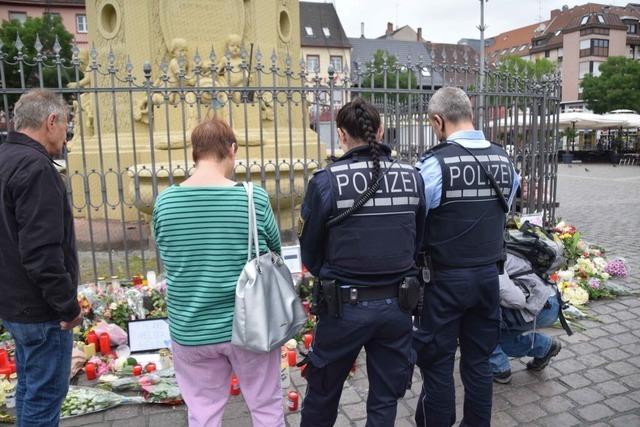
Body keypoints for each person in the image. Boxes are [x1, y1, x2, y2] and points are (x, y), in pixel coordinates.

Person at [298, 97, 426, 427]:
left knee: (323, 396)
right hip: (398, 307)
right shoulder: (413, 178)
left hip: (343, 310)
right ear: (380, 131)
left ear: (341, 135)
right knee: (385, 399)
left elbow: (310, 252)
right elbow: (418, 241)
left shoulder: (325, 182)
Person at [152, 118, 284, 427]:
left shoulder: (164, 202)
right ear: (232, 150)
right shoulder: (254, 198)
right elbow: (274, 253)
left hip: (191, 328)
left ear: (194, 154)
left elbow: (167, 252)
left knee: (203, 413)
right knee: (266, 407)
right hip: (250, 327)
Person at [413, 87, 520, 427]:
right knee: (478, 362)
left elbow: (417, 220)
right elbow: (507, 205)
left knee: (438, 364)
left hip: (442, 281)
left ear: (438, 121)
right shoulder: (505, 160)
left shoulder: (432, 166)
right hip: (489, 277)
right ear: (470, 114)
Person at [0, 89, 82, 426]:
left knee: (30, 389)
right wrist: (67, 306)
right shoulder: (37, 168)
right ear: (51, 121)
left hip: (13, 300)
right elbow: (41, 251)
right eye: (65, 126)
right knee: (44, 396)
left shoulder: (5, 157)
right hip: (39, 309)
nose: (66, 136)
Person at [491, 253, 562, 384]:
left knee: (476, 327)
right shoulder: (491, 247)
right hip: (546, 301)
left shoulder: (489, 258)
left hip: (540, 306)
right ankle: (545, 347)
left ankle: (499, 369)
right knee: (499, 340)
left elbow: (517, 300)